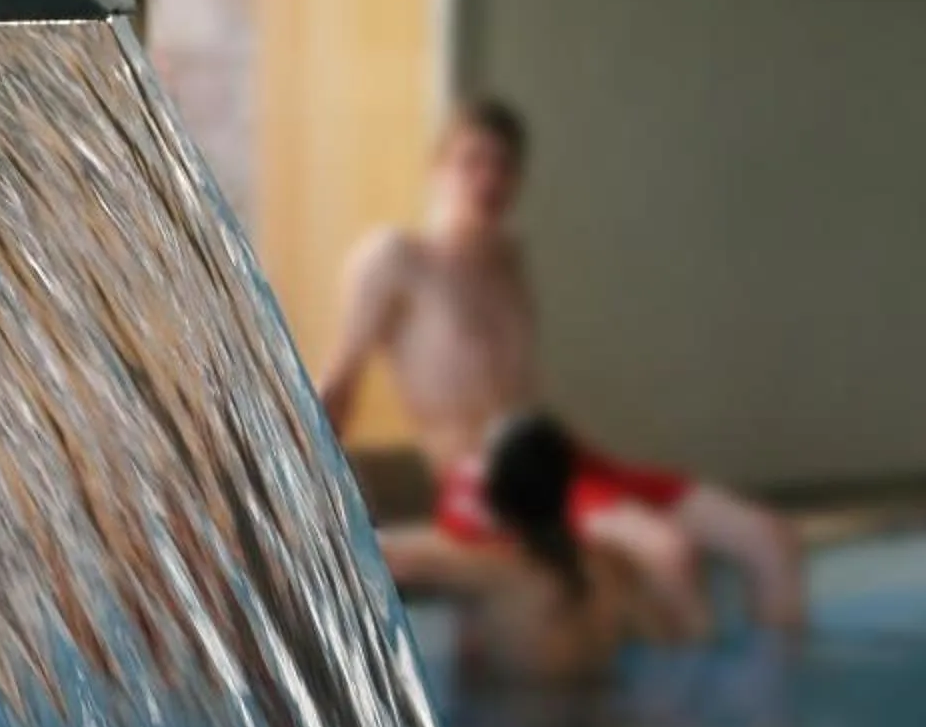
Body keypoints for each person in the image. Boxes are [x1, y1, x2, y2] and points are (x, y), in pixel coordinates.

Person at [320, 96, 808, 636]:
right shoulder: (396, 260)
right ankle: (695, 715)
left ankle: (779, 708)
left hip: (560, 459)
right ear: (438, 171)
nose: (489, 179)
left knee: (771, 537)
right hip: (487, 484)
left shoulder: (509, 260)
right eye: (472, 161)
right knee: (667, 551)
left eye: (503, 165)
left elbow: (521, 394)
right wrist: (308, 507)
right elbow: (338, 389)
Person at [378, 413, 702, 692]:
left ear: (494, 495)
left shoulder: (493, 571)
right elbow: (671, 639)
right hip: (598, 726)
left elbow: (382, 556)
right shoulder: (608, 568)